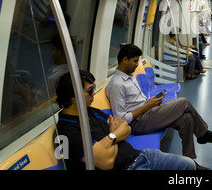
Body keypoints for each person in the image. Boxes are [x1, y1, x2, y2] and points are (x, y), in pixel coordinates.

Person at [106, 44, 212, 162]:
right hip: (138, 123)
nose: (137, 64)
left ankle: (190, 161)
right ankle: (203, 134)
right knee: (184, 102)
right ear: (125, 60)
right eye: (135, 61)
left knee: (187, 118)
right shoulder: (116, 85)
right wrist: (147, 106)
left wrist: (151, 103)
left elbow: (135, 102)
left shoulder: (130, 76)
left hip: (147, 113)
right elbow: (122, 118)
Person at [55, 70, 196, 170]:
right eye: (90, 90)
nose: (94, 94)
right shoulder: (66, 131)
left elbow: (126, 129)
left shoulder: (91, 111)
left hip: (142, 155)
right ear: (73, 96)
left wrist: (111, 137)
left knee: (188, 165)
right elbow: (107, 162)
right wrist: (114, 134)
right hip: (127, 167)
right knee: (183, 105)